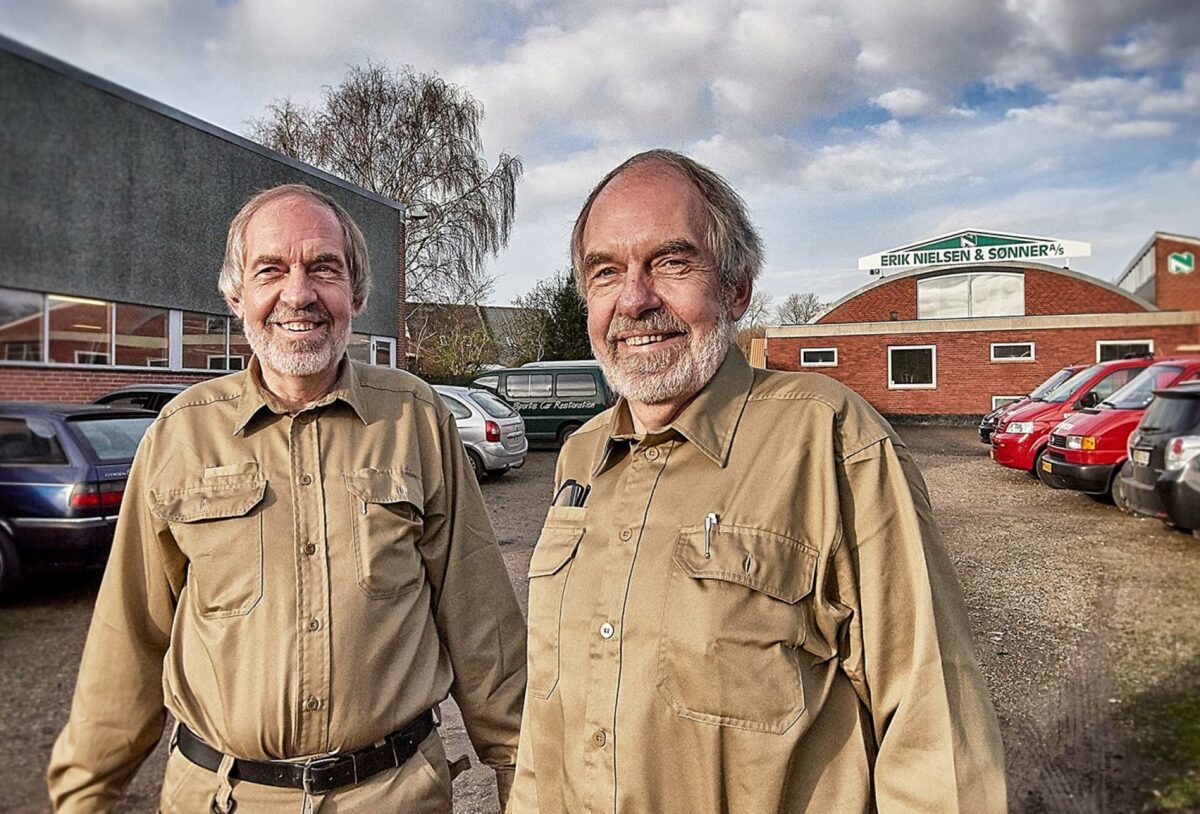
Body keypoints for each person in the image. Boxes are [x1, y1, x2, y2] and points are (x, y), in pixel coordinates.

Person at [508, 151, 1006, 813]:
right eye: (606, 272)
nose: (634, 298)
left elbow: (934, 732)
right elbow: (550, 714)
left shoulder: (830, 439)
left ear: (737, 288)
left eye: (671, 262)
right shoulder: (580, 456)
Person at [48, 184, 526, 813]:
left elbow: (480, 621)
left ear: (356, 293)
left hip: (394, 796)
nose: (298, 294)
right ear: (236, 295)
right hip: (222, 799)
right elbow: (128, 636)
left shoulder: (416, 419)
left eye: (323, 268)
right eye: (270, 269)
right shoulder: (179, 434)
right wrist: (85, 796)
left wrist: (521, 773)